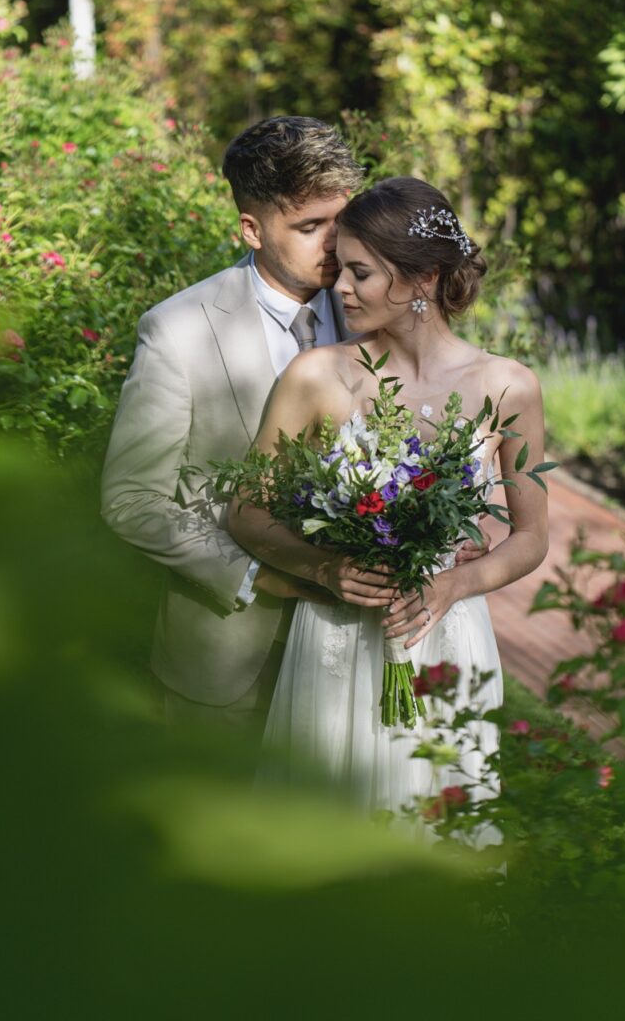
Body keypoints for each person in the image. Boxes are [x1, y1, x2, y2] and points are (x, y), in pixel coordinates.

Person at [101, 117, 487, 743]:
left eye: (341, 221)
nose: (336, 246)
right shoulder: (177, 331)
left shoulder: (383, 305)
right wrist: (264, 574)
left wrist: (460, 530)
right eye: (310, 228)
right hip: (228, 658)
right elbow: (132, 501)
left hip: (363, 652)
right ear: (252, 229)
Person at [227, 175, 549, 812]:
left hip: (449, 637)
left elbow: (533, 536)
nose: (338, 287)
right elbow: (245, 510)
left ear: (423, 278)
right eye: (340, 269)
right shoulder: (317, 375)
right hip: (337, 633)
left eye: (360, 272)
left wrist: (456, 583)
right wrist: (327, 567)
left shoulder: (508, 386)